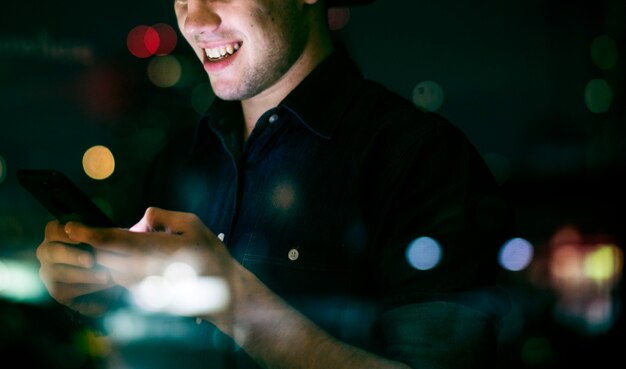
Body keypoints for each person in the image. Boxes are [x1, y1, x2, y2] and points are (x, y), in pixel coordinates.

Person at [36, 0, 515, 368]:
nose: (195, 19)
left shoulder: (420, 158)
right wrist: (98, 293)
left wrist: (228, 297)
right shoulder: (178, 162)